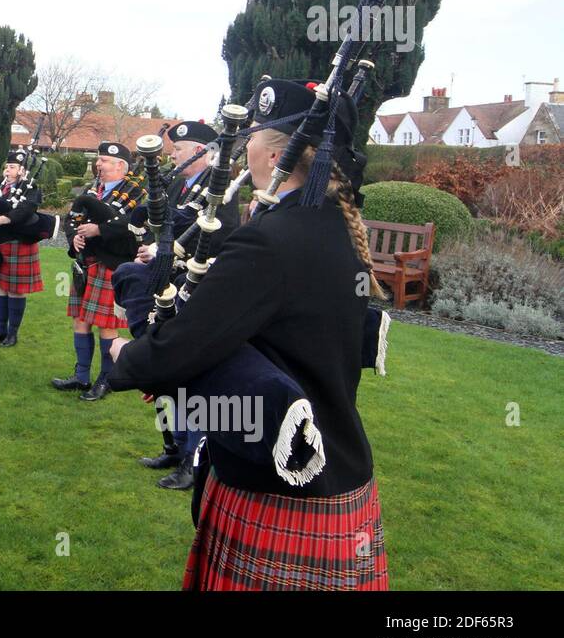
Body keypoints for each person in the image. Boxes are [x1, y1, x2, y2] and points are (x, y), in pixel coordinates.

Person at [106, 79, 388, 590]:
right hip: (340, 477)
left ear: (278, 151)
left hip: (278, 491)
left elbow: (185, 345)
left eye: (252, 135)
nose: (244, 147)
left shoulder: (273, 241)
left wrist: (129, 356)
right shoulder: (335, 227)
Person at [131, 119, 241, 491]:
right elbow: (167, 224)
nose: (172, 156)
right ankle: (175, 447)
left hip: (200, 291)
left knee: (192, 378)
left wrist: (166, 254)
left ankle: (194, 462)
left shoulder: (220, 188)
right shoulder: (185, 184)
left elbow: (214, 237)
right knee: (171, 373)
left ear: (198, 151)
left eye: (178, 151)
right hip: (174, 287)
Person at [52, 142, 144, 401]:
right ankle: (81, 376)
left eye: (104, 160)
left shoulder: (137, 193)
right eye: (99, 160)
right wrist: (74, 239)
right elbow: (73, 217)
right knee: (80, 320)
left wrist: (99, 230)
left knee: (106, 326)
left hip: (112, 265)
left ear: (120, 166)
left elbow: (132, 226)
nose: (99, 165)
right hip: (85, 262)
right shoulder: (93, 188)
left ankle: (106, 380)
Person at [0, 148, 45, 347]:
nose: (8, 170)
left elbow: (27, 210)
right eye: (7, 166)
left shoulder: (31, 187)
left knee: (15, 290)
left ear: (22, 170)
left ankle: (12, 333)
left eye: (12, 167)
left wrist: (6, 218)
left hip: (19, 243)